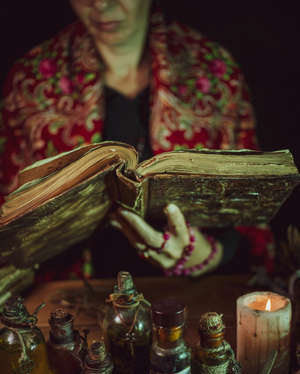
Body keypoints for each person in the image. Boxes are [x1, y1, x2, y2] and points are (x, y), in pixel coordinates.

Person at [0, 0, 274, 280]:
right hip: (71, 298)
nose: (101, 5)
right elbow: (11, 217)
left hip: (195, 296)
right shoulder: (31, 81)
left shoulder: (214, 71)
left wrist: (208, 255)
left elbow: (251, 211)